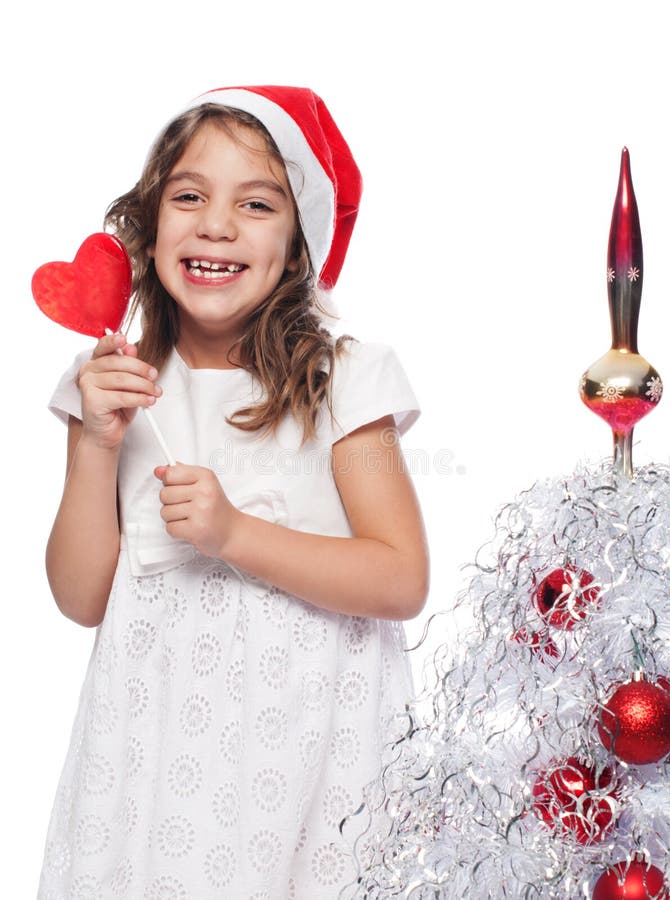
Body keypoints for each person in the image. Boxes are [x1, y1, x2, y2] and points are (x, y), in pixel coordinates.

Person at [37, 85, 429, 899]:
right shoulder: (117, 384)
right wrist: (94, 445)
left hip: (309, 744)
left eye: (255, 203)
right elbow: (81, 597)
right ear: (148, 231)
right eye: (189, 196)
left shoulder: (344, 383)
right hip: (152, 752)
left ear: (295, 248)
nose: (216, 224)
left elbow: (398, 578)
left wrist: (235, 535)